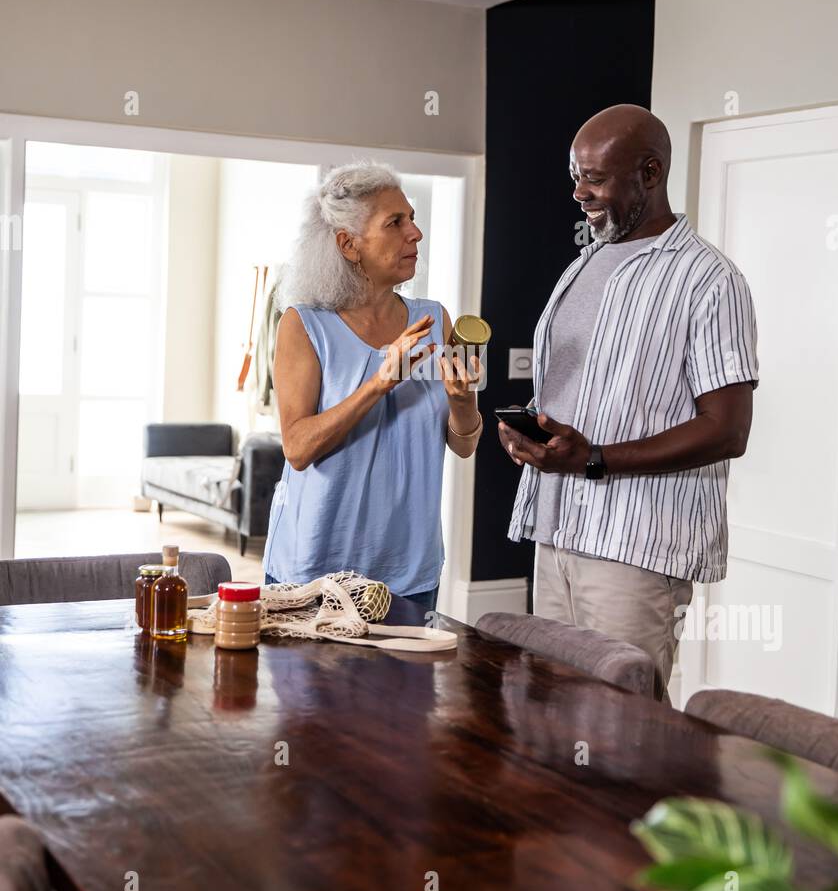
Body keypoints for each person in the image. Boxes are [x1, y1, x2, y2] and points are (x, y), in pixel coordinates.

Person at [499, 104, 759, 701]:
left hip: (635, 547)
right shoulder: (583, 266)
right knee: (552, 710)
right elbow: (577, 391)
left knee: (621, 726)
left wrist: (594, 460)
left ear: (650, 173)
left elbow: (727, 430)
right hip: (557, 526)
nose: (578, 192)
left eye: (595, 177)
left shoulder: (709, 280)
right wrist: (533, 434)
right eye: (575, 175)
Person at [263, 161, 482, 610]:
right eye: (395, 223)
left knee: (408, 684)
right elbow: (298, 448)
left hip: (409, 569)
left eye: (413, 218)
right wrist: (380, 381)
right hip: (316, 569)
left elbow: (464, 445)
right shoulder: (304, 325)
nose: (415, 234)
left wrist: (463, 401)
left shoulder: (436, 318)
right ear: (349, 244)